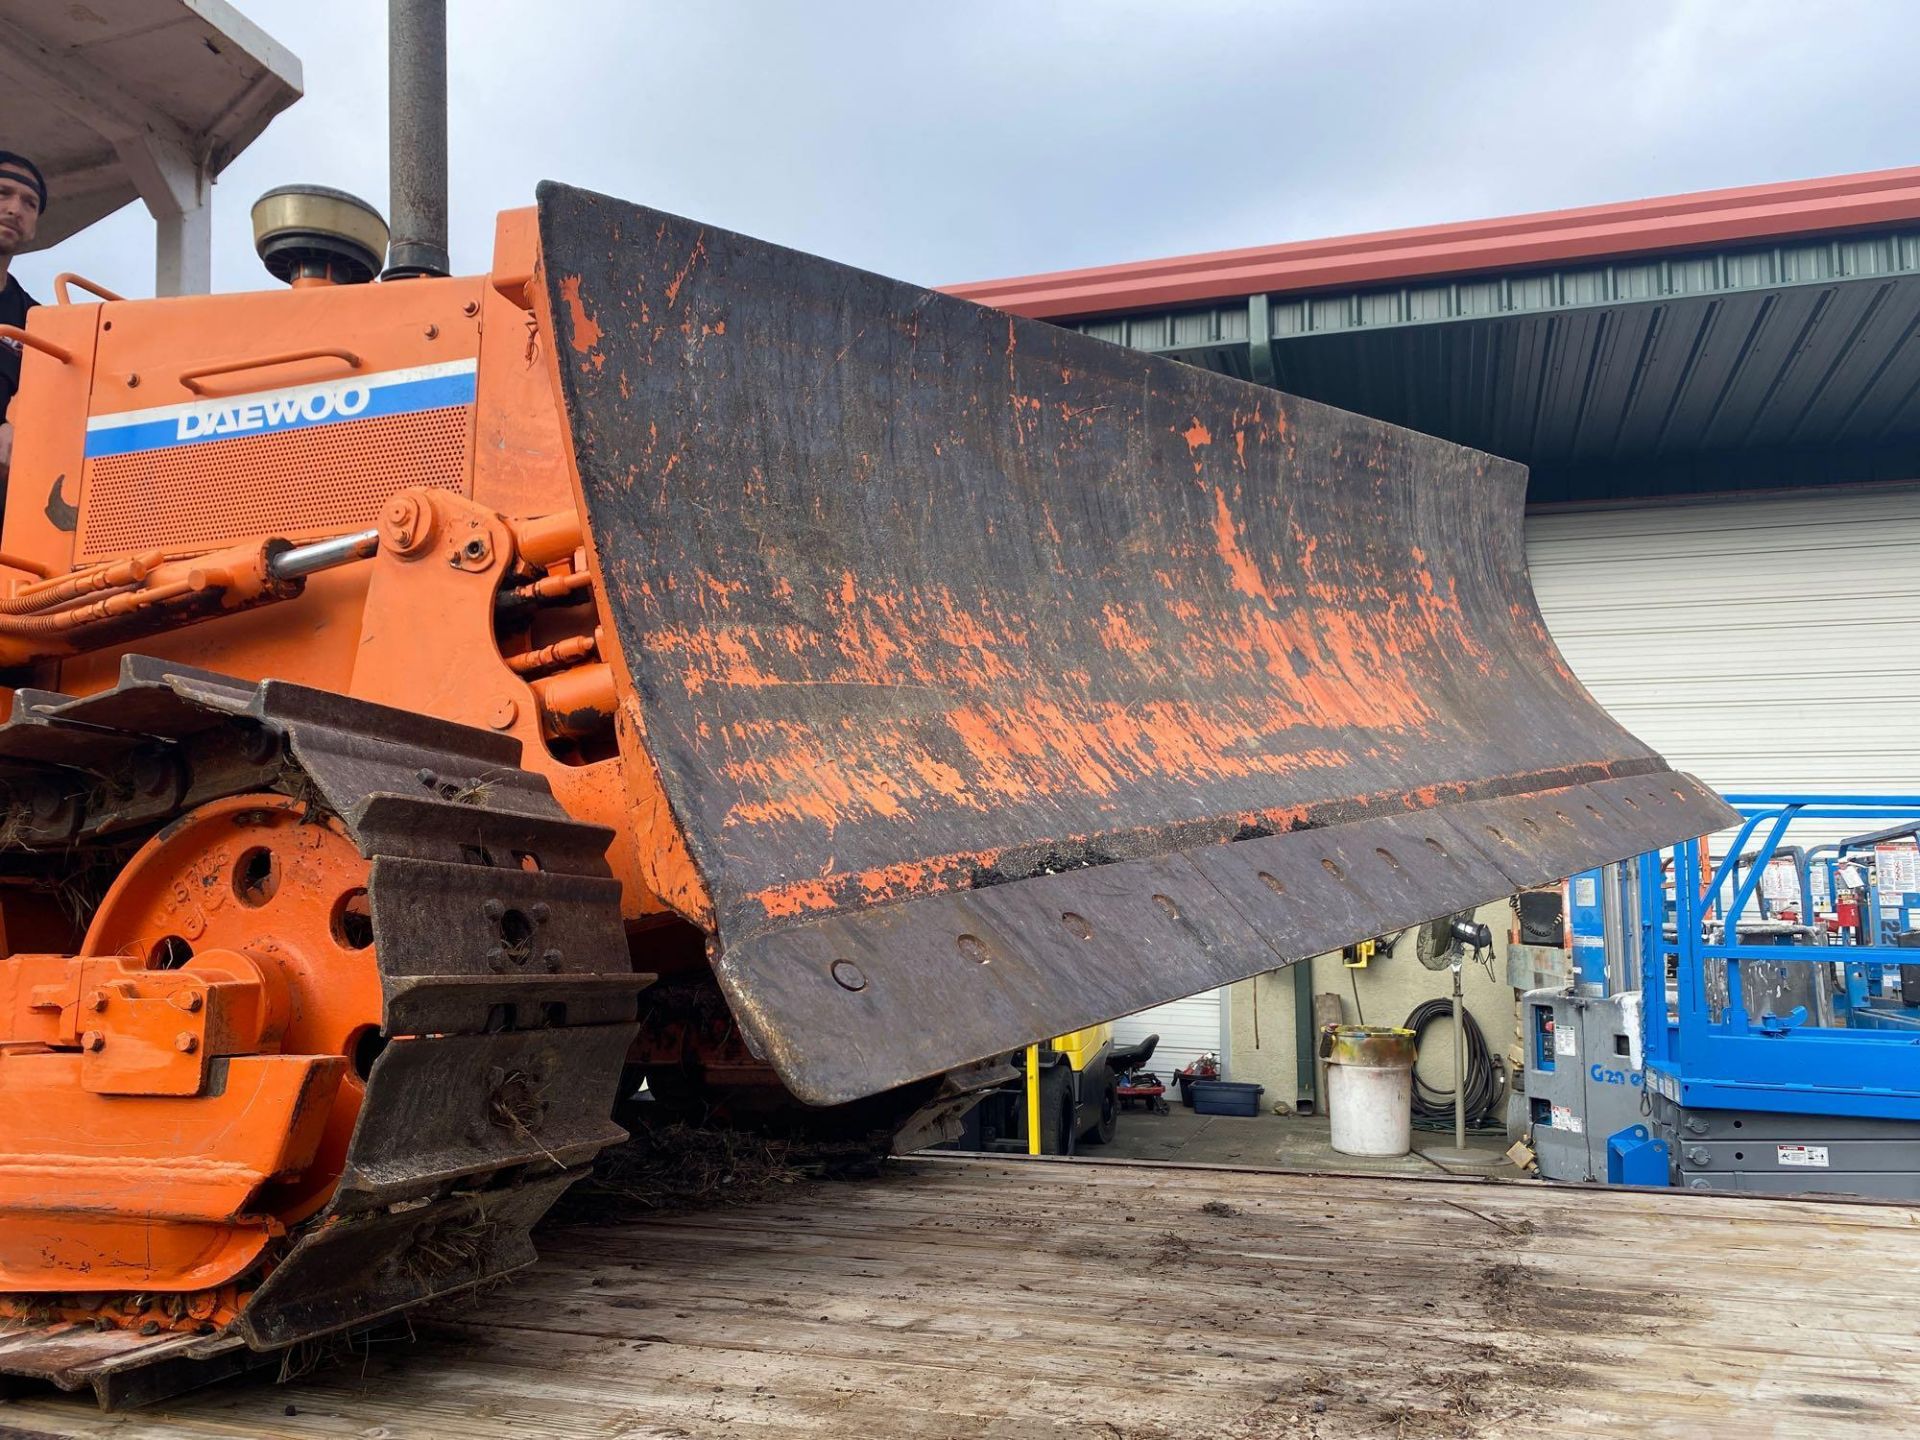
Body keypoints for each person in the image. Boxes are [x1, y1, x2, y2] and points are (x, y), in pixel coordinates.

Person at [0, 150, 46, 489]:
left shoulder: (39, 322)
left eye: (30, 203)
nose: (15, 209)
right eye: (3, 193)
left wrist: (18, 426)